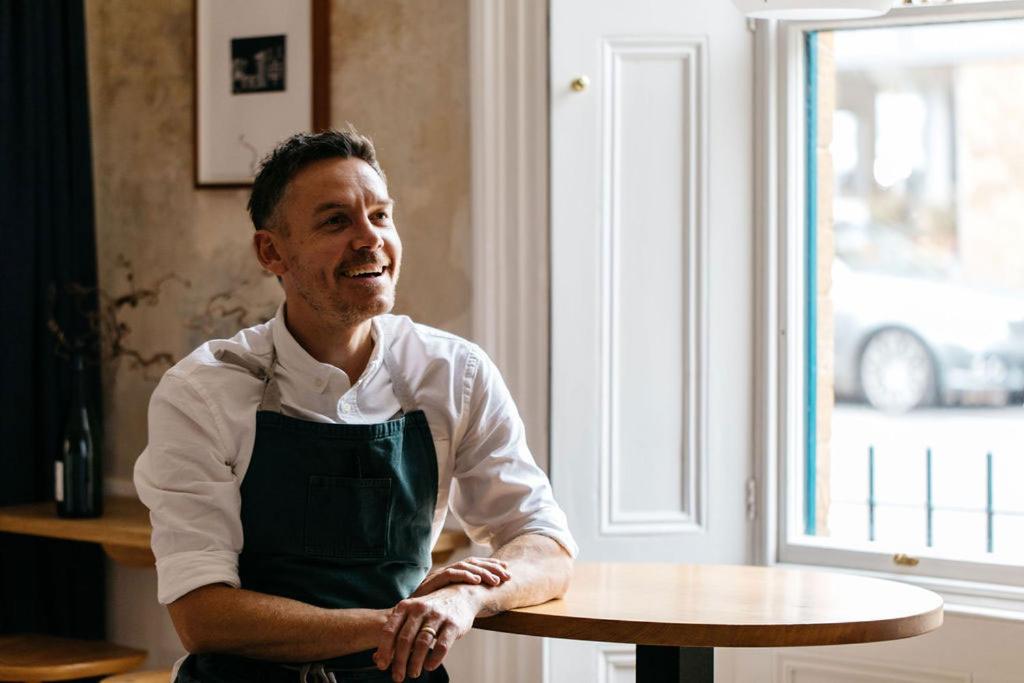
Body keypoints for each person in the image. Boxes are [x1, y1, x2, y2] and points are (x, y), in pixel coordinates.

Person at [134, 129, 578, 683]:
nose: (370, 239)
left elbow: (545, 545)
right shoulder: (202, 392)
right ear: (272, 252)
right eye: (335, 221)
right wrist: (402, 623)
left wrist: (464, 599)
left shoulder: (454, 372)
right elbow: (203, 616)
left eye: (381, 216)